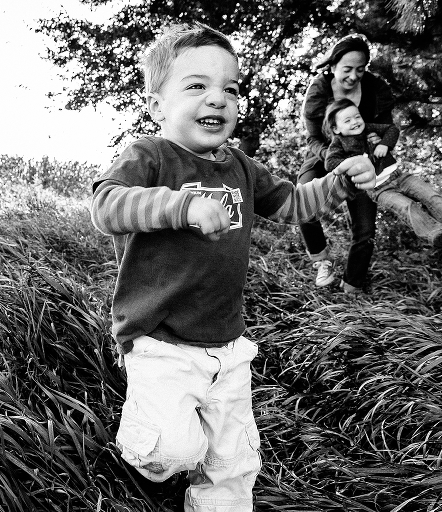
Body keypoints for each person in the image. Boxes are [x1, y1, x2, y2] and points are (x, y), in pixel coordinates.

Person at [90, 23, 376, 512]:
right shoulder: (150, 155)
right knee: (172, 451)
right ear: (157, 105)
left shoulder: (241, 167)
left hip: (227, 340)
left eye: (231, 88)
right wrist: (179, 206)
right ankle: (152, 441)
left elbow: (291, 202)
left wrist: (339, 185)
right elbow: (106, 205)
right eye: (197, 85)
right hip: (159, 339)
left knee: (235, 460)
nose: (218, 99)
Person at [297, 33, 393, 294]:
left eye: (360, 70)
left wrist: (378, 143)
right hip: (325, 154)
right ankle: (322, 261)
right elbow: (313, 138)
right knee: (303, 199)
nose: (353, 76)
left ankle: (352, 286)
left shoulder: (376, 89)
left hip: (364, 159)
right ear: (333, 66)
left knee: (365, 228)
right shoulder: (319, 90)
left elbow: (387, 129)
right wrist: (335, 160)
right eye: (347, 69)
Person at [323, 98, 442, 248]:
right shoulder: (338, 144)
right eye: (347, 120)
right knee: (407, 207)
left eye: (357, 117)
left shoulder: (370, 129)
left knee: (431, 195)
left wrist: (385, 144)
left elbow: (392, 129)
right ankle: (435, 234)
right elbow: (330, 163)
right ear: (336, 128)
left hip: (400, 176)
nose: (355, 122)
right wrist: (353, 163)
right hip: (379, 189)